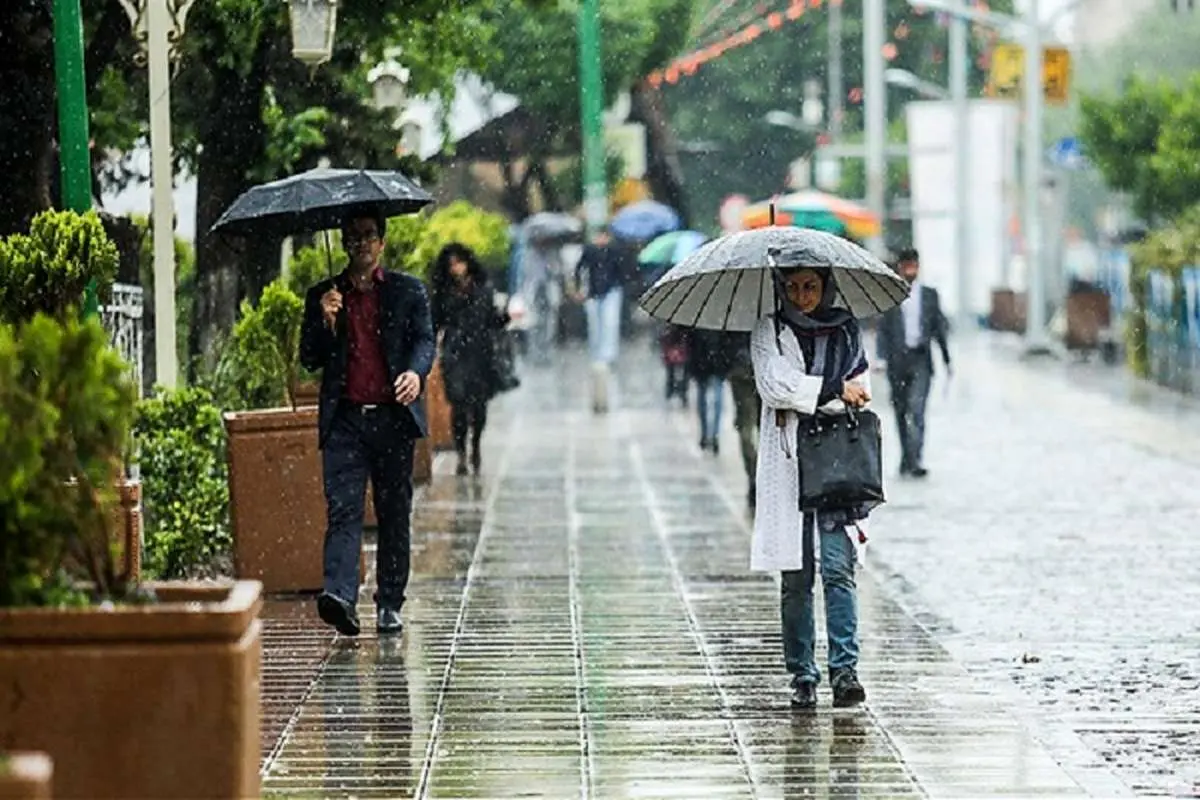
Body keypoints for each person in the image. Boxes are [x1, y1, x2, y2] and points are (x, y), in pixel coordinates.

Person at [299, 210, 435, 638]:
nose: (361, 243)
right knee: (344, 510)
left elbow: (424, 340)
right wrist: (325, 321)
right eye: (353, 237)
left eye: (368, 235)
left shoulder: (407, 291)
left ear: (382, 243)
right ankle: (339, 597)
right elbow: (309, 359)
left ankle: (390, 601)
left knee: (395, 513)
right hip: (346, 423)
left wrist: (415, 373)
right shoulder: (323, 295)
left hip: (393, 419)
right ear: (342, 244)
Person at [751, 266, 872, 710]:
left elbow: (862, 388)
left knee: (838, 568)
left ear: (825, 287)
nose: (802, 296)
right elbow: (774, 385)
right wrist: (832, 391)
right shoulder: (769, 330)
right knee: (796, 575)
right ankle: (802, 673)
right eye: (793, 287)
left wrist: (823, 393)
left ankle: (845, 671)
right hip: (789, 463)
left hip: (837, 461)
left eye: (811, 286)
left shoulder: (846, 330)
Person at [429, 243, 510, 476]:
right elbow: (435, 323)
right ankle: (462, 452)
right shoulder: (443, 293)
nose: (457, 269)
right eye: (452, 265)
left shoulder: (483, 289)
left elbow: (493, 320)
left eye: (460, 262)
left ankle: (475, 446)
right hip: (455, 354)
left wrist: (505, 316)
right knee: (458, 404)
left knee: (479, 406)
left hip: (481, 354)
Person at [875, 248, 951, 478]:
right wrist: (880, 358)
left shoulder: (929, 294)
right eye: (907, 266)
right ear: (899, 268)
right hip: (897, 361)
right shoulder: (890, 295)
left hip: (921, 359)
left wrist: (947, 358)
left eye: (914, 266)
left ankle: (915, 459)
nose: (911, 270)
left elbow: (938, 326)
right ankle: (906, 458)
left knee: (917, 411)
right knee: (901, 411)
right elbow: (883, 331)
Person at [574, 228, 624, 413]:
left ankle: (608, 354)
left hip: (611, 291)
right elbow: (580, 268)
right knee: (595, 325)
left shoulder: (614, 250)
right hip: (594, 294)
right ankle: (597, 353)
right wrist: (581, 288)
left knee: (610, 324)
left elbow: (620, 270)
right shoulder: (590, 250)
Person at [688, 329, 740, 454]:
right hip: (716, 358)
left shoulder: (697, 316)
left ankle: (707, 433)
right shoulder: (724, 316)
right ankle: (713, 434)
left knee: (707, 398)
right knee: (716, 398)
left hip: (704, 358)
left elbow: (689, 338)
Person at [726, 331, 760, 509]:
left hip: (750, 372)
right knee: (752, 430)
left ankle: (756, 476)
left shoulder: (732, 309)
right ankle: (757, 476)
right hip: (753, 373)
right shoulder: (772, 308)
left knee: (748, 430)